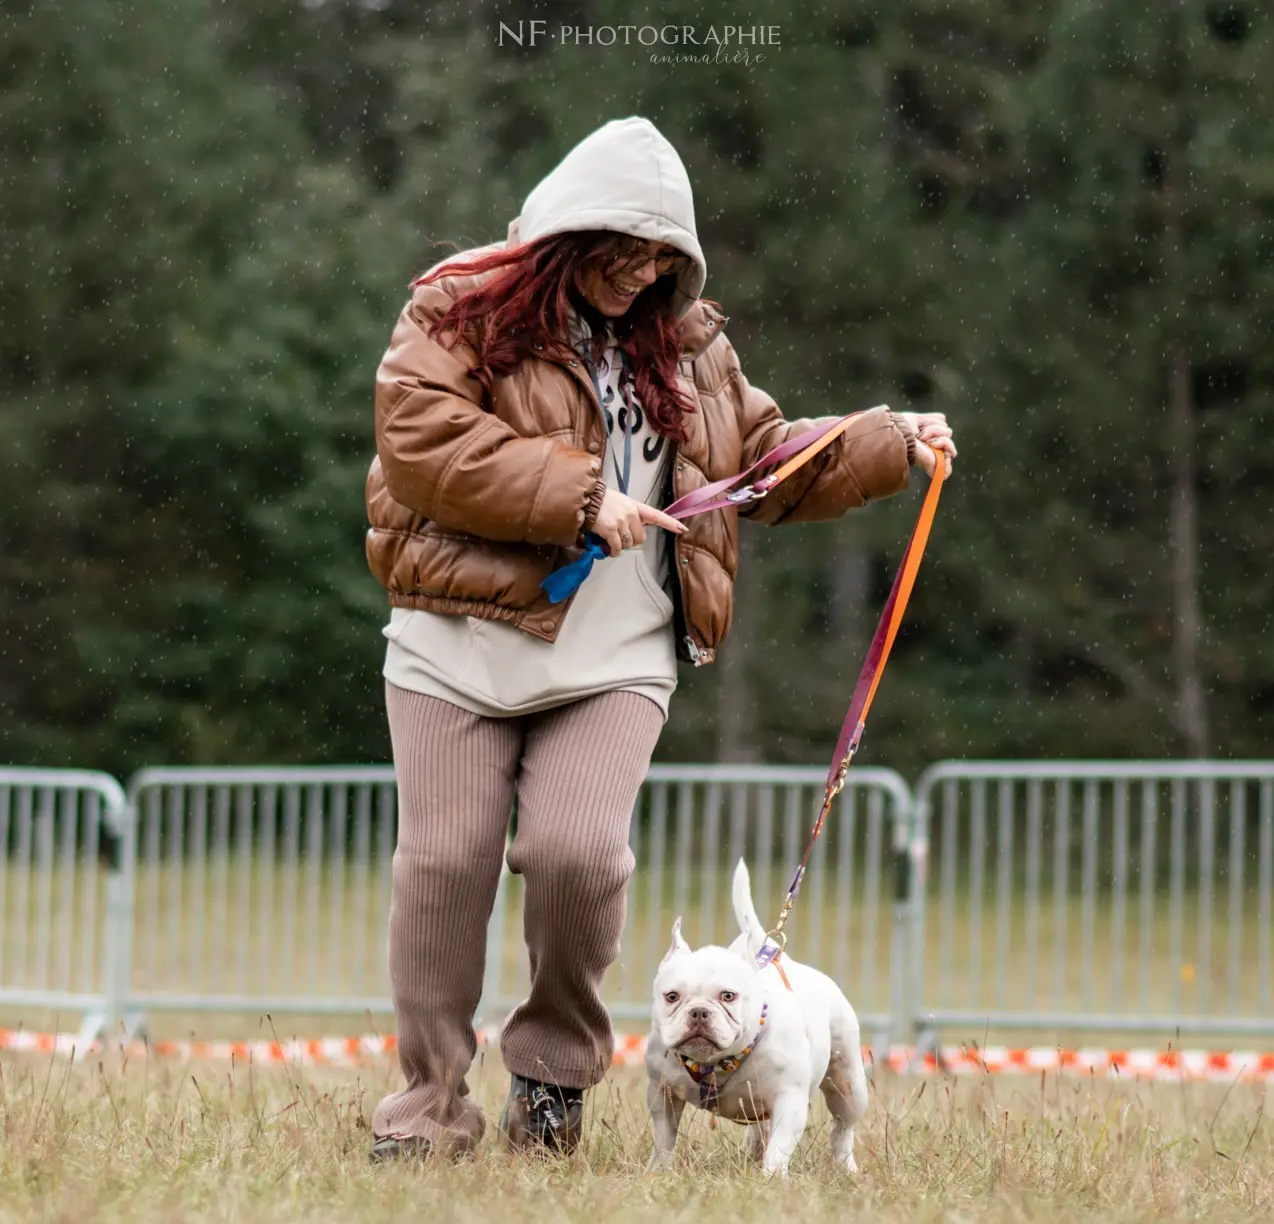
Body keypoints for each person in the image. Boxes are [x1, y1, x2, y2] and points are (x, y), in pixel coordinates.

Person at [364, 115, 957, 1159]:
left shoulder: (688, 345)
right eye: (617, 251)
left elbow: (760, 460)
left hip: (615, 652)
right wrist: (579, 495)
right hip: (453, 636)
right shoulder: (453, 307)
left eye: (658, 258)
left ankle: (548, 1085)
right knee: (445, 862)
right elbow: (418, 441)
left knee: (577, 854)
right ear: (560, 238)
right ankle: (426, 1113)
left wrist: (882, 441)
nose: (637, 275)